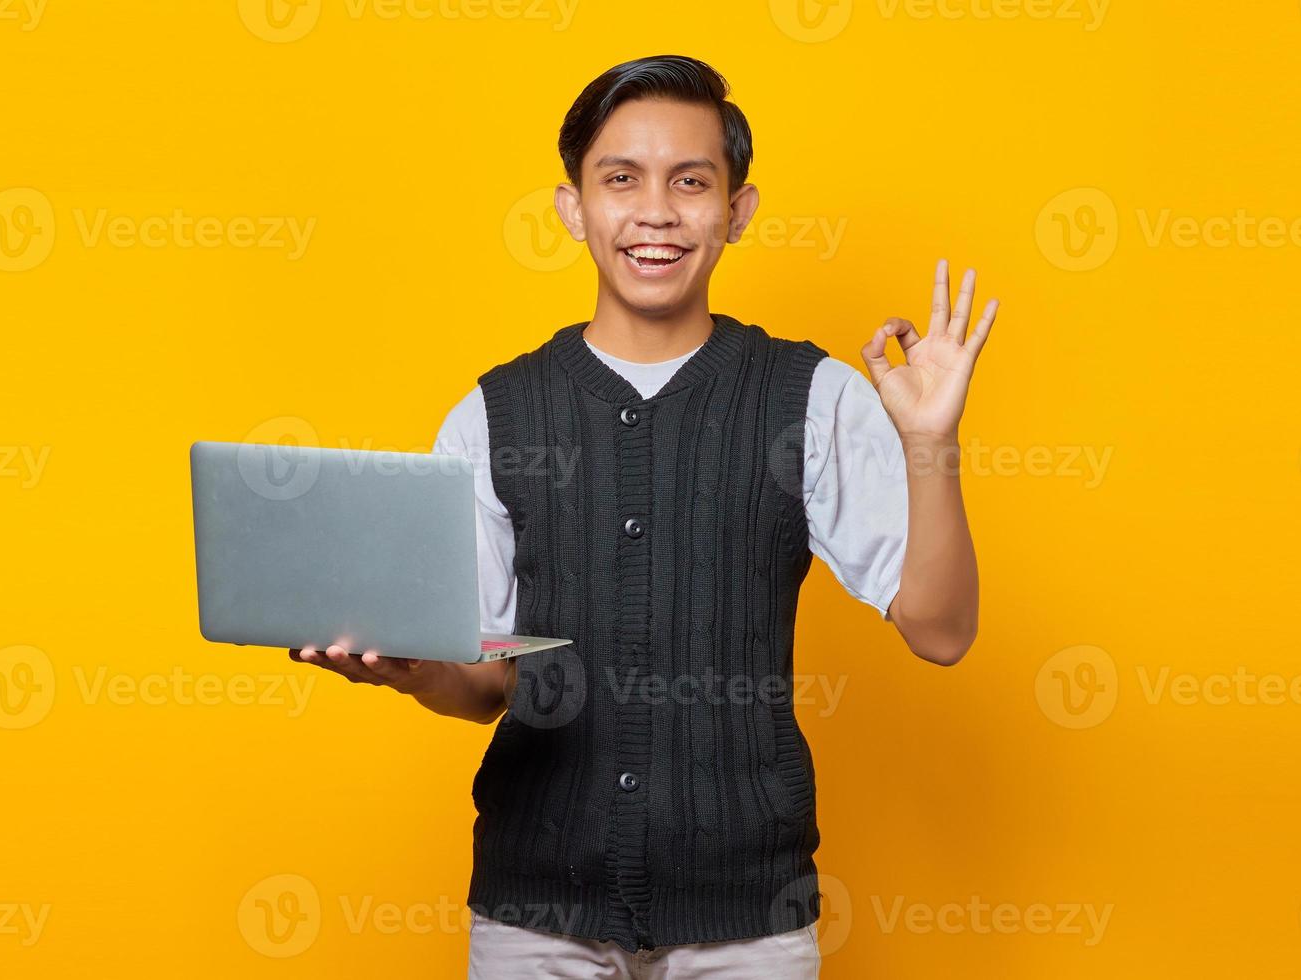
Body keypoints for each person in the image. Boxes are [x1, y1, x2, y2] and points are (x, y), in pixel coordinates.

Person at [290, 53, 997, 979]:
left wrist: (931, 446)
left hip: (749, 920)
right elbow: (489, 681)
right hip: (534, 914)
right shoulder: (494, 413)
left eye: (690, 181)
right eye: (620, 179)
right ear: (573, 207)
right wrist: (408, 673)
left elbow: (941, 631)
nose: (655, 211)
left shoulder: (812, 397)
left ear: (737, 211)